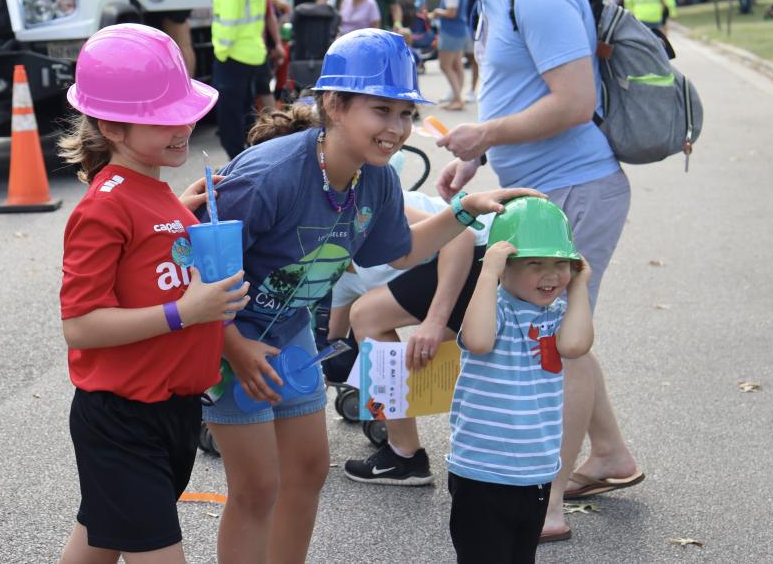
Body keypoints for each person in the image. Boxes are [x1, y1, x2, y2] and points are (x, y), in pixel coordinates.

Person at [201, 28, 540, 563]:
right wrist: (232, 349)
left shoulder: (374, 178)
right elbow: (196, 272)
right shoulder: (268, 177)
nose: (398, 129)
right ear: (334, 105)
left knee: (308, 472)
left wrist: (466, 210)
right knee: (256, 487)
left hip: (290, 342)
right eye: (382, 110)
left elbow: (401, 251)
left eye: (406, 114)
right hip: (227, 347)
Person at [396, 0, 642, 543]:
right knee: (560, 332)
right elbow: (524, 95)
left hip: (577, 187)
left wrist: (484, 133)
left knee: (555, 341)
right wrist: (478, 155)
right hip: (546, 189)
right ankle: (611, 453)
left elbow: (574, 100)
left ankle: (549, 498)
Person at [55, 24, 251, 564]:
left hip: (174, 411)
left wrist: (180, 213)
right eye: (163, 117)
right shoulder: (104, 206)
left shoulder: (156, 191)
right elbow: (81, 324)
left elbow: (151, 252)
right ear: (111, 126)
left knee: (100, 540)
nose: (183, 126)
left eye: (183, 111)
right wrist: (183, 313)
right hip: (122, 418)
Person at [450, 198, 593, 563]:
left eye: (560, 264)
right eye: (534, 264)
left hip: (536, 469)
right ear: (504, 267)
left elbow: (576, 346)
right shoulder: (493, 306)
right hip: (483, 470)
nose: (551, 275)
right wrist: (486, 275)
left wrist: (579, 288)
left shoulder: (558, 312)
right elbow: (479, 341)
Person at [339, 188, 493, 486]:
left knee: (366, 316)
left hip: (482, 250)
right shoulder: (335, 262)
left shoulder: (361, 197)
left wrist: (434, 322)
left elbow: (461, 236)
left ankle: (404, 455)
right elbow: (332, 337)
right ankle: (610, 452)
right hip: (475, 257)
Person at [212, 0, 268, 159]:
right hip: (253, 54)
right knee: (246, 112)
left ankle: (235, 162)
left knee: (229, 117)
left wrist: (221, 52)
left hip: (232, 56)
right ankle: (250, 157)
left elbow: (228, 24)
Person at [431, 0, 471, 111]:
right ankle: (457, 97)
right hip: (460, 30)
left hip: (451, 32)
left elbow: (451, 12)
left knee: (445, 65)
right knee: (457, 65)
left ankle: (457, 99)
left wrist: (437, 11)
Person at [253, 0, 288, 111]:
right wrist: (276, 46)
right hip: (261, 49)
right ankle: (274, 125)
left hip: (255, 49)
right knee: (265, 89)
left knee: (261, 88)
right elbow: (269, 21)